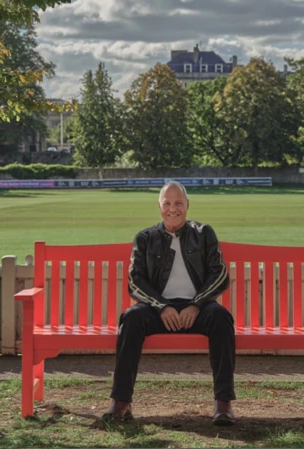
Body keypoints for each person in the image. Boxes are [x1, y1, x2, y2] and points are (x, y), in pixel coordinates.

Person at [102, 181, 236, 426]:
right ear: (159, 206)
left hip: (199, 308)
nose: (172, 209)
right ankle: (121, 402)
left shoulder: (204, 233)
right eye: (167, 203)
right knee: (131, 318)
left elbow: (219, 275)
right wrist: (162, 306)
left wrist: (196, 304)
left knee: (221, 317)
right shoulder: (145, 238)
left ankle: (223, 404)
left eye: (178, 203)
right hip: (158, 310)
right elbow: (135, 280)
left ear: (187, 205)